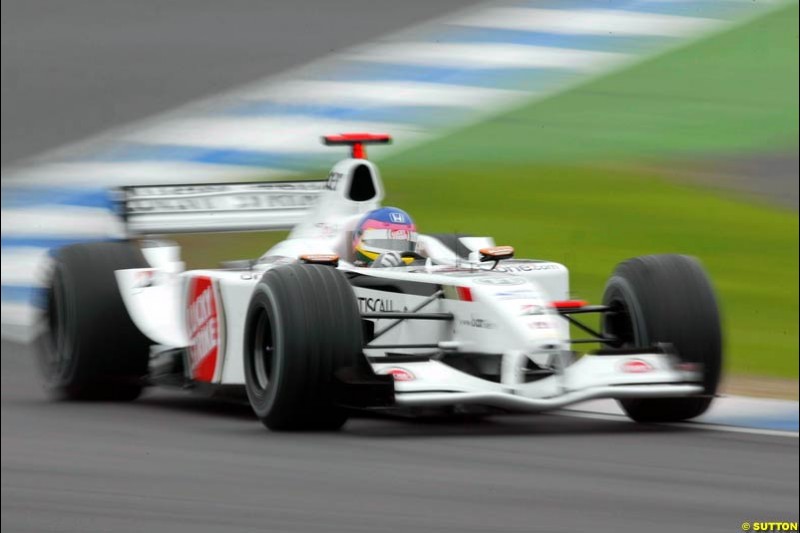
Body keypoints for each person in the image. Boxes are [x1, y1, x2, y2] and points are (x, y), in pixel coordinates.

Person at [352, 207, 418, 267]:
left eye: (401, 245)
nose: (392, 256)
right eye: (381, 243)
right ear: (358, 238)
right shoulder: (344, 272)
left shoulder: (422, 270)